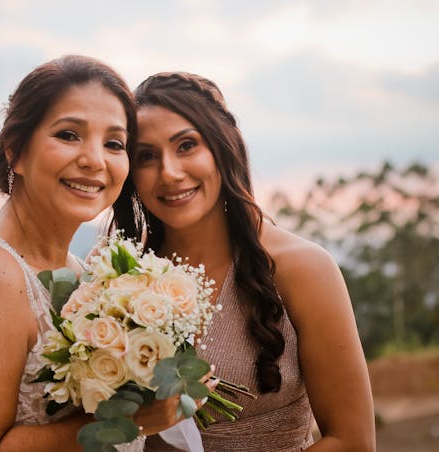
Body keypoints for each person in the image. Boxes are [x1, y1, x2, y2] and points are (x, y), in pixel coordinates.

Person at [0, 56, 184, 451]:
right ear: (15, 150)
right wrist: (123, 422)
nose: (94, 160)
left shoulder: (83, 277)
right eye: (68, 135)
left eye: (114, 143)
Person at [111, 72, 376, 451]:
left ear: (223, 147)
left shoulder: (303, 268)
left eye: (186, 145)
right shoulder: (119, 276)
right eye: (147, 156)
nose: (169, 172)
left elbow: (353, 441)